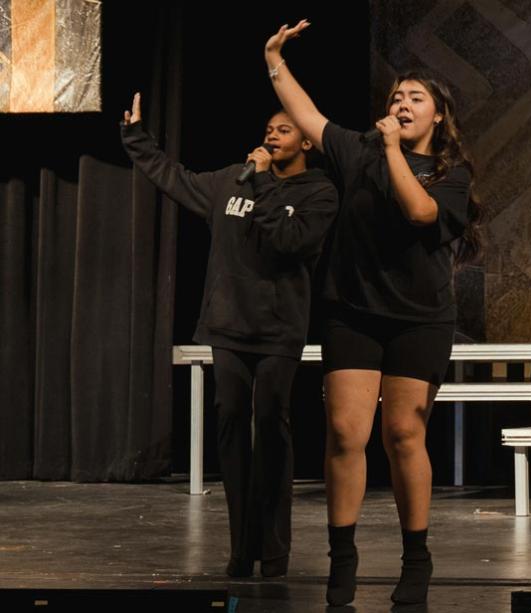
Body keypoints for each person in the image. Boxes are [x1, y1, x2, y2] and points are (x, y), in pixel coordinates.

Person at [263, 20, 481, 608]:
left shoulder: (451, 172)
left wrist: (389, 148)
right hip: (352, 311)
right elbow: (307, 116)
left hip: (420, 318)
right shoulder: (357, 150)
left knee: (404, 434)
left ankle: (416, 557)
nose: (402, 104)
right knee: (344, 432)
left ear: (438, 115)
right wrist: (274, 60)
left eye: (415, 98)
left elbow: (419, 213)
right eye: (396, 97)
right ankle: (344, 557)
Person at [121, 94, 338, 578]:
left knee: (272, 427)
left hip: (279, 329)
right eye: (268, 129)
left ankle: (275, 548)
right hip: (229, 324)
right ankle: (242, 548)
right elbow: (173, 178)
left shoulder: (318, 192)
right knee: (231, 424)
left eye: (283, 130)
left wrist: (260, 181)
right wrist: (136, 136)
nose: (271, 136)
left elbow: (290, 243)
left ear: (306, 139)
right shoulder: (228, 182)